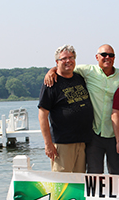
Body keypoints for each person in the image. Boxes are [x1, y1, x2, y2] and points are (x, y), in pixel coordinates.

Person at [45, 44, 119, 175]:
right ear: (97, 57)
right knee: (93, 174)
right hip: (93, 134)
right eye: (104, 55)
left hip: (115, 134)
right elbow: (65, 66)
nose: (107, 57)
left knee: (118, 173)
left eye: (111, 55)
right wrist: (51, 71)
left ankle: (115, 196)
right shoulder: (86, 71)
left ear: (115, 58)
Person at [38, 44, 93, 173]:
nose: (68, 61)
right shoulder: (51, 84)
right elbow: (42, 115)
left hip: (82, 141)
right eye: (64, 58)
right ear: (57, 62)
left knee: (79, 183)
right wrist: (48, 144)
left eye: (71, 57)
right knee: (62, 183)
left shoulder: (79, 78)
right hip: (62, 143)